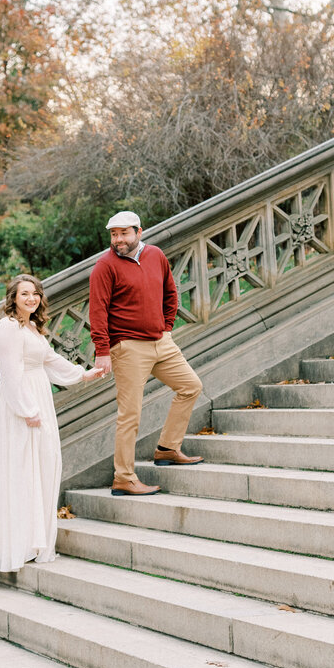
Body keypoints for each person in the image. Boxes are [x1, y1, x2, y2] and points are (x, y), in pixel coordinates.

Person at [0, 274, 104, 572]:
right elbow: (9, 372)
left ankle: (36, 540)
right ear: (13, 298)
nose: (31, 299)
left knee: (45, 465)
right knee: (22, 468)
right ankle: (17, 544)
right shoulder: (7, 327)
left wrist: (82, 374)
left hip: (38, 397)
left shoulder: (32, 327)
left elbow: (49, 361)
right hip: (21, 404)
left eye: (35, 293)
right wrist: (25, 409)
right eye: (24, 294)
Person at [89, 211, 204, 496]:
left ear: (140, 232)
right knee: (130, 415)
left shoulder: (155, 255)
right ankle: (124, 478)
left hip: (161, 343)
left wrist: (166, 327)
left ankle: (167, 448)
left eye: (124, 233)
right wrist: (103, 351)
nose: (118, 240)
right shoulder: (104, 267)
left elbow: (170, 292)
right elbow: (98, 312)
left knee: (191, 386)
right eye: (114, 234)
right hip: (128, 348)